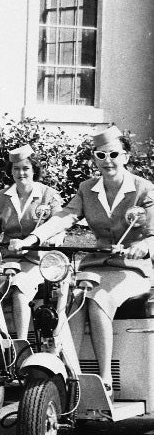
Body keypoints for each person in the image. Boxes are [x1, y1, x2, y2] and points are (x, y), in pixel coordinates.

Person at [10, 125, 154, 397]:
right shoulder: (87, 188)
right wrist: (33, 238)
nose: (107, 161)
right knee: (72, 299)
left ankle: (104, 379)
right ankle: (71, 376)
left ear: (125, 156)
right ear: (94, 158)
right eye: (101, 155)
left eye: (113, 154)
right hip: (96, 266)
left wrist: (143, 246)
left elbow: (153, 234)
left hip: (131, 270)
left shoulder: (143, 189)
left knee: (97, 299)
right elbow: (65, 216)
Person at [0, 145, 64, 346]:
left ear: (34, 170)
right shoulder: (1, 197)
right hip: (8, 259)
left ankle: (22, 344)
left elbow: (59, 228)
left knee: (19, 287)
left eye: (25, 168)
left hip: (37, 261)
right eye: (16, 169)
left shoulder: (48, 194)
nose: (21, 173)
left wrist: (52, 239)